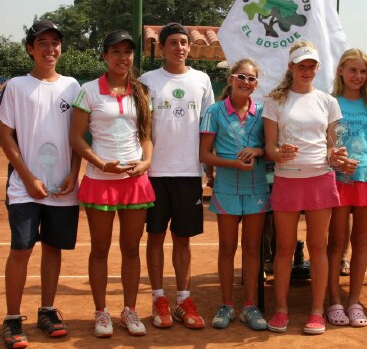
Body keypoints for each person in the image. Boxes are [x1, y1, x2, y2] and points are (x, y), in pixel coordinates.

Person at [0, 19, 81, 349]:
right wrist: (28, 177)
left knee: (53, 249)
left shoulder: (73, 86)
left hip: (62, 188)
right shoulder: (17, 86)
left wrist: (75, 173)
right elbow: (6, 135)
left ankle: (47, 311)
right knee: (21, 248)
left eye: (55, 43)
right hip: (24, 187)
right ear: (30, 49)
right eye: (42, 43)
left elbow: (78, 137)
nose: (50, 49)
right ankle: (13, 318)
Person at [70, 30, 155, 337]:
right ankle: (101, 312)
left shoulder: (142, 91)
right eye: (116, 51)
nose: (123, 57)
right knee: (100, 249)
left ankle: (130, 311)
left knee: (131, 249)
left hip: (135, 182)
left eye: (127, 52)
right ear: (105, 56)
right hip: (100, 180)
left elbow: (146, 137)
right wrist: (99, 163)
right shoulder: (88, 90)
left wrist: (145, 163)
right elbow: (76, 138)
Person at [262, 40, 346, 335]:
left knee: (318, 247)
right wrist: (278, 153)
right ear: (291, 67)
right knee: (284, 249)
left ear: (317, 68)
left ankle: (316, 311)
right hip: (287, 180)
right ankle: (281, 309)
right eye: (302, 65)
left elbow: (334, 147)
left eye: (311, 65)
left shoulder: (328, 102)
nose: (307, 70)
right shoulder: (274, 101)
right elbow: (269, 148)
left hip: (321, 180)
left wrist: (336, 156)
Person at [139, 22, 215, 329]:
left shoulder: (202, 80)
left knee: (182, 239)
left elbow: (208, 128)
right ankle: (159, 298)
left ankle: (183, 299)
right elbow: (141, 128)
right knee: (155, 237)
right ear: (162, 47)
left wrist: (208, 168)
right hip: (155, 173)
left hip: (188, 173)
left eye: (184, 42)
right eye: (173, 43)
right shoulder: (147, 80)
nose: (179, 47)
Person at [199, 59, 270, 331]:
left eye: (251, 79)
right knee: (227, 249)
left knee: (253, 249)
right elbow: (204, 154)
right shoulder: (214, 111)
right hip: (226, 188)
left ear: (256, 84)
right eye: (241, 76)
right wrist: (232, 164)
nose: (246, 82)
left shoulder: (264, 113)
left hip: (256, 189)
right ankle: (226, 305)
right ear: (230, 79)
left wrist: (258, 151)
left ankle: (250, 307)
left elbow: (270, 148)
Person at [326, 48, 367, 328]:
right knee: (336, 244)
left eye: (363, 71)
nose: (358, 76)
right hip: (339, 181)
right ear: (341, 71)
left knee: (360, 243)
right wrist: (338, 161)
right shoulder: (330, 103)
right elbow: (328, 144)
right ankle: (334, 301)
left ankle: (354, 301)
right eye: (352, 70)